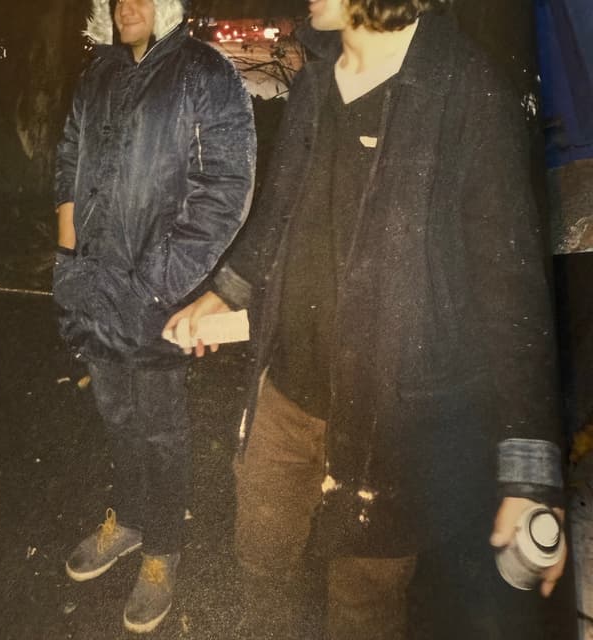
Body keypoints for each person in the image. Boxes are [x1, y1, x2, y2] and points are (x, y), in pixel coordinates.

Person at [165, 1, 571, 638]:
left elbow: (512, 296)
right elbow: (280, 208)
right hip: (286, 396)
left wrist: (528, 475)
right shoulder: (316, 76)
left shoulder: (467, 92)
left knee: (365, 601)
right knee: (260, 563)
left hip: (395, 425)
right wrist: (228, 291)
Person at [52, 0, 255, 633]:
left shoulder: (204, 71)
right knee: (117, 416)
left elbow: (226, 189)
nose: (128, 6)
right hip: (94, 288)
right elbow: (69, 158)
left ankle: (163, 547)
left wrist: (160, 283)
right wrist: (69, 255)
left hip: (156, 297)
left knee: (160, 428)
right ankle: (132, 520)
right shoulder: (101, 71)